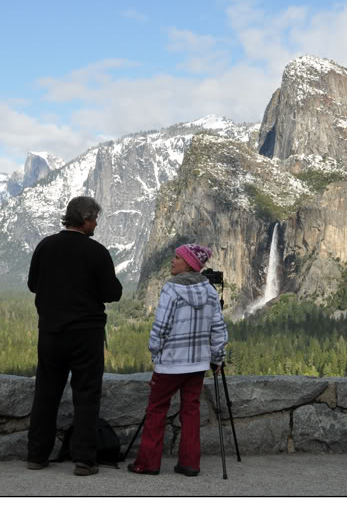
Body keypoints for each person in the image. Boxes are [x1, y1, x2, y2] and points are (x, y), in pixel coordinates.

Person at [26, 196, 122, 476]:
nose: (96, 225)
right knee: (87, 395)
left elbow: (33, 285)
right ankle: (84, 459)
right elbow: (112, 293)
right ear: (85, 219)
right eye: (94, 219)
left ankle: (36, 455)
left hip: (51, 332)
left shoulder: (45, 246)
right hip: (86, 334)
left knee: (46, 392)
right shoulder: (96, 252)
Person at [127, 244, 228, 477]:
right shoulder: (210, 291)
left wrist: (155, 352)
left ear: (189, 264)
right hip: (198, 364)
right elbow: (218, 329)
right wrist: (217, 357)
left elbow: (161, 327)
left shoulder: (171, 289)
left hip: (170, 362)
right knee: (191, 412)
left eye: (177, 258)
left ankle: (148, 463)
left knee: (156, 410)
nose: (172, 261)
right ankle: (190, 463)